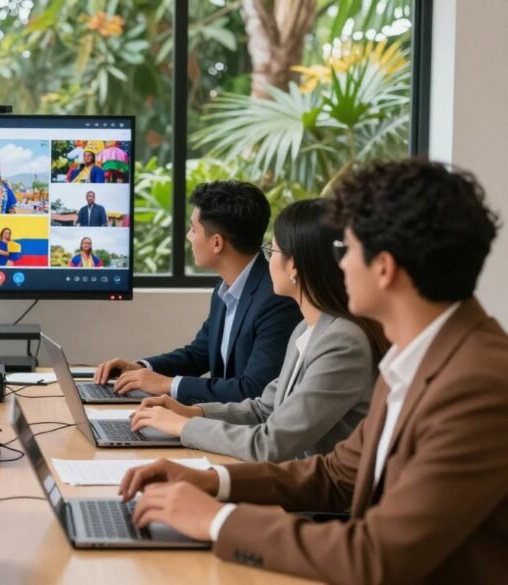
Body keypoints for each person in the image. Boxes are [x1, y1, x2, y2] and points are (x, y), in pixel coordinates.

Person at [118, 159, 508, 584]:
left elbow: (375, 556)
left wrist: (218, 521)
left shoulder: (478, 384)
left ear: (385, 268)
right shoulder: (418, 356)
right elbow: (338, 474)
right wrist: (211, 481)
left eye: (347, 250)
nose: (337, 265)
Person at [130, 199, 388, 461]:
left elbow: (271, 444)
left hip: (312, 496)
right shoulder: (305, 330)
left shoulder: (342, 342)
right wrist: (193, 413)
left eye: (271, 251)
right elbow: (264, 409)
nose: (267, 262)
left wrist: (183, 427)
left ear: (294, 266)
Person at [95, 181, 301, 404]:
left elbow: (253, 390)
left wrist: (166, 384)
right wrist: (141, 368)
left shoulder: (276, 299)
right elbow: (199, 354)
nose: (188, 236)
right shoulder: (226, 289)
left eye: (193, 229)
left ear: (217, 243)